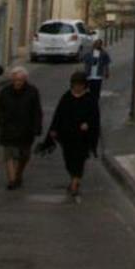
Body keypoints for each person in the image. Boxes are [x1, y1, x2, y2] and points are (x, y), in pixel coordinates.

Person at [41, 70, 101, 203]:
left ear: (85, 85)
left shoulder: (90, 99)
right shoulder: (67, 97)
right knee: (68, 160)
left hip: (82, 136)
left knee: (79, 159)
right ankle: (74, 178)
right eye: (75, 84)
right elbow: (58, 115)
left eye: (80, 85)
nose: (77, 87)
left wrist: (88, 125)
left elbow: (95, 118)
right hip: (67, 135)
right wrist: (54, 130)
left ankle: (75, 183)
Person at [0, 66, 43, 190]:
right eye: (15, 80)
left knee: (24, 156)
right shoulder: (5, 92)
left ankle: (18, 175)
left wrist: (37, 126)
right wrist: (1, 121)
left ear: (25, 79)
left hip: (26, 129)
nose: (17, 83)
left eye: (20, 80)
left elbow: (37, 111)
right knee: (9, 155)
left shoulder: (32, 91)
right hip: (8, 128)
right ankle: (12, 180)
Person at [85, 39, 111, 107]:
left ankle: (95, 102)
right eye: (96, 43)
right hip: (90, 75)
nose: (97, 45)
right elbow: (86, 62)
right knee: (91, 90)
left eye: (99, 44)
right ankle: (91, 102)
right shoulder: (89, 53)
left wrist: (107, 72)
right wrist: (85, 73)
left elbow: (106, 63)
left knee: (97, 90)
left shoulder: (104, 53)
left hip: (98, 76)